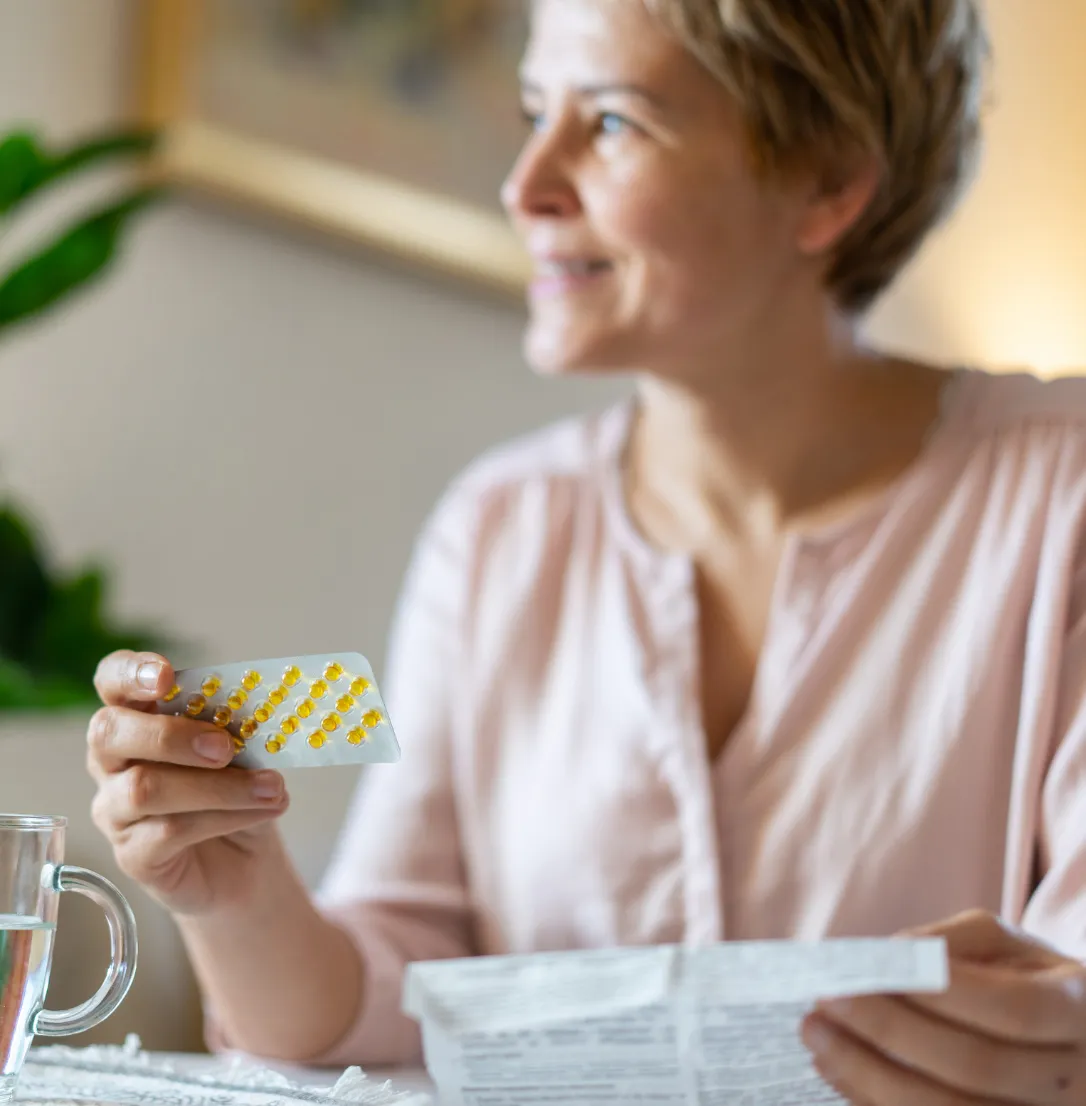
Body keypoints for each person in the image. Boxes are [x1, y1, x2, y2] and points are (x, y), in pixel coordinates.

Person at [87, 0, 1086, 1101]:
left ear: (828, 182)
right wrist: (237, 896)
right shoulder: (499, 529)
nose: (525, 185)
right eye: (531, 111)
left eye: (610, 123)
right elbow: (375, 1012)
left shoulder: (1062, 497)